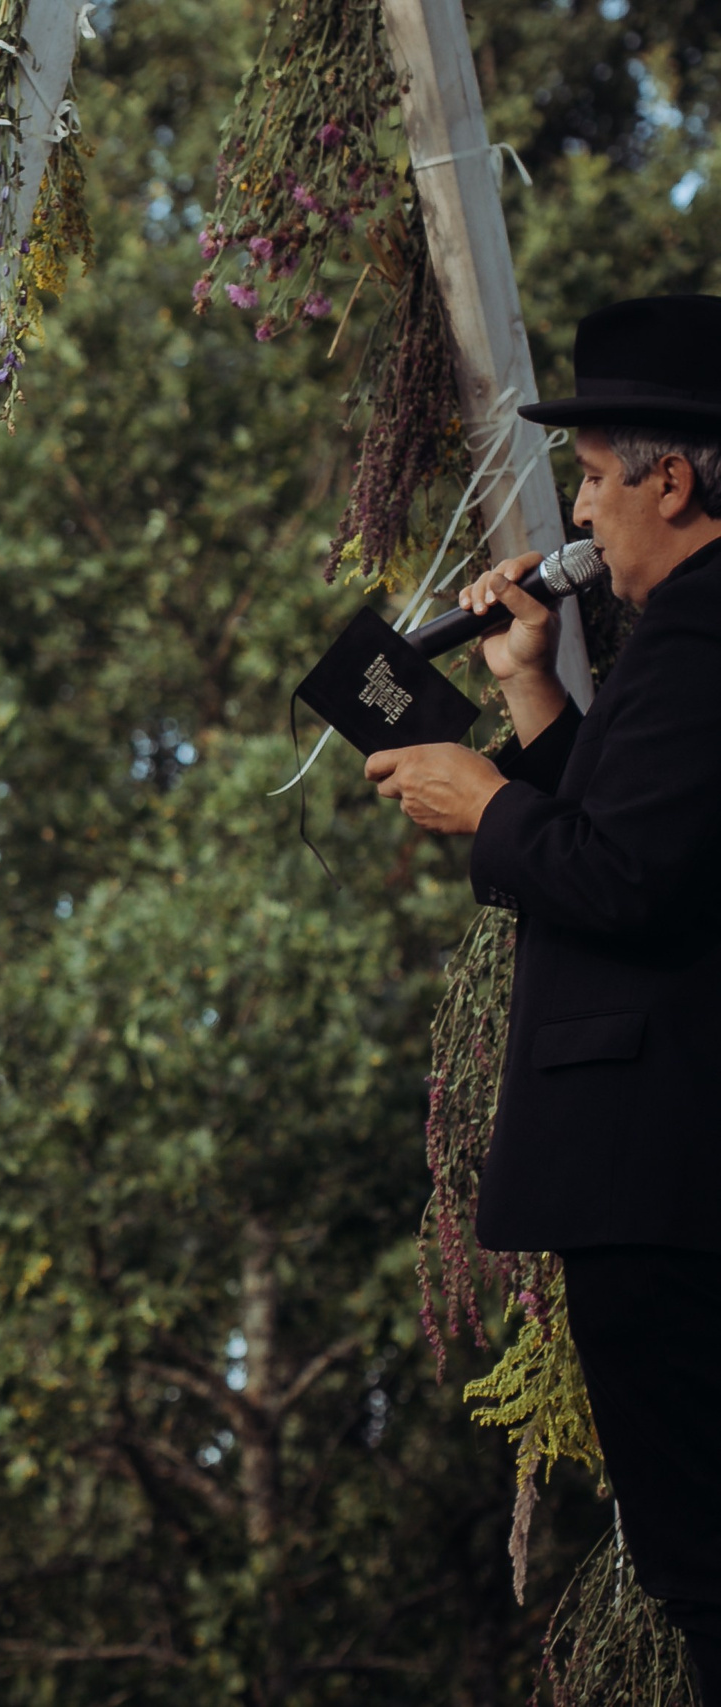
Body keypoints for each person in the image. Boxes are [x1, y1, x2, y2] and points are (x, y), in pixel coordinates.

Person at [364, 293, 721, 1693]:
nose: (579, 508)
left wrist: (483, 807)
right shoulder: (684, 641)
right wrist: (528, 702)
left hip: (665, 1182)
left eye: (590, 473)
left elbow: (628, 882)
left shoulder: (701, 637)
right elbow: (651, 842)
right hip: (667, 1183)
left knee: (699, 1558)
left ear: (672, 478)